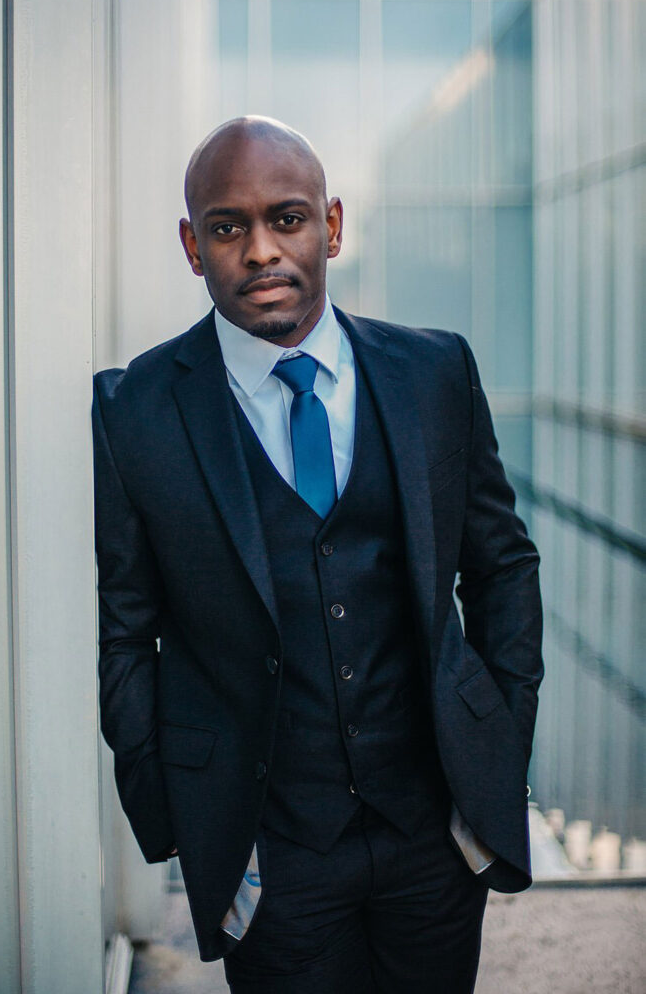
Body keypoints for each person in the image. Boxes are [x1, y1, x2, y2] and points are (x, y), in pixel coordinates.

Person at [92, 116, 543, 993]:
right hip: (267, 854)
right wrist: (183, 819)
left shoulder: (433, 373)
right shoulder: (136, 408)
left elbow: (501, 568)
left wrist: (496, 747)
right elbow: (125, 634)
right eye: (228, 227)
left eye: (287, 219)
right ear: (193, 245)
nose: (261, 249)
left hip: (432, 835)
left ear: (330, 226)